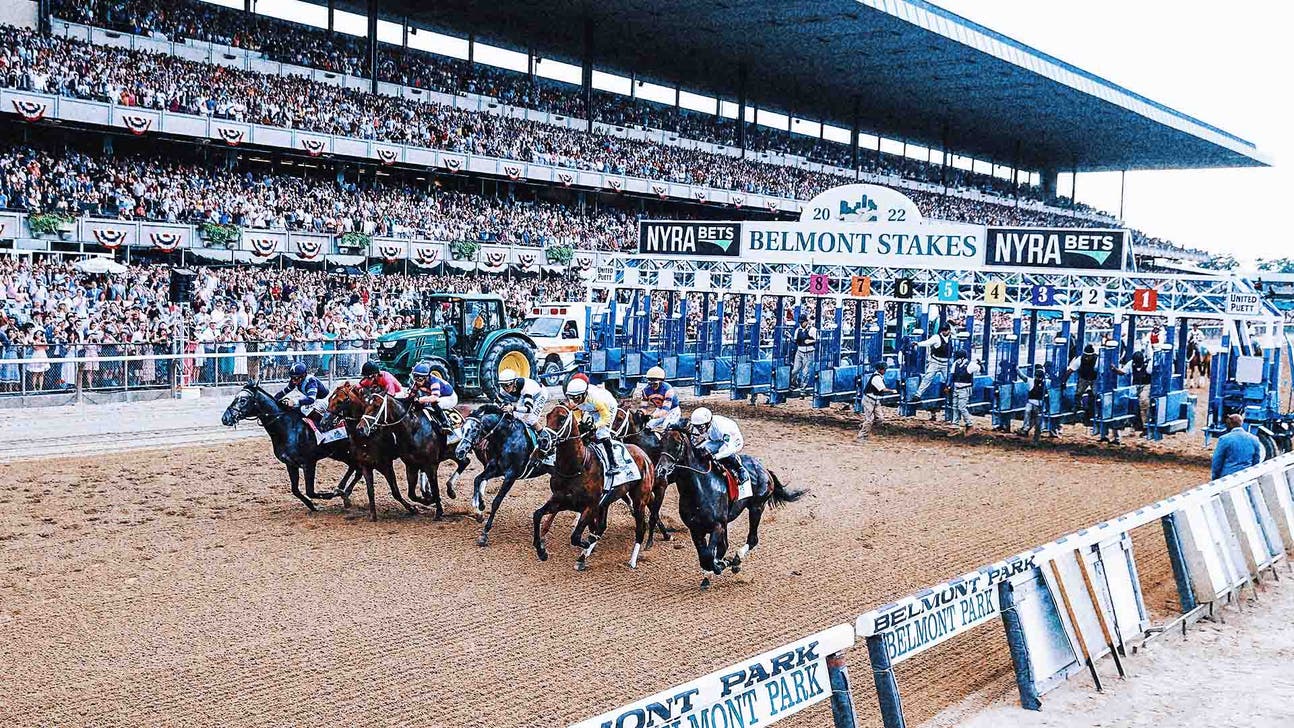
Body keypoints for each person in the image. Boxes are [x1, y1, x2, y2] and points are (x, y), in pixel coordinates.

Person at [565, 375, 624, 482]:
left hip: (607, 408)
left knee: (602, 434)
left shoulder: (596, 399)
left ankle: (613, 464)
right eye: (571, 398)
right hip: (592, 410)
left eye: (577, 398)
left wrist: (595, 426)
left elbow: (606, 418)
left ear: (584, 394)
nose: (574, 401)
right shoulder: (575, 398)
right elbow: (576, 410)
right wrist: (579, 423)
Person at [688, 407, 749, 495]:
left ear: (708, 423)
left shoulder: (722, 428)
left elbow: (730, 448)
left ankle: (740, 469)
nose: (699, 429)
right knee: (700, 450)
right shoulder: (699, 425)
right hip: (715, 439)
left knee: (722, 452)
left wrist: (716, 456)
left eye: (701, 427)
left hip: (733, 440)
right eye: (697, 426)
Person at [407, 361, 459, 443]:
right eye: (415, 378)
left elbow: (434, 397)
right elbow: (410, 396)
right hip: (438, 396)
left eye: (419, 379)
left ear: (426, 377)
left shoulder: (434, 381)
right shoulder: (418, 382)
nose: (417, 382)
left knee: (434, 403)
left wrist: (421, 399)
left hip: (449, 397)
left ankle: (446, 424)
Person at [496, 367, 547, 434]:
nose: (505, 388)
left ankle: (544, 436)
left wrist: (512, 408)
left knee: (531, 419)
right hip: (523, 395)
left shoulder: (526, 388)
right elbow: (497, 401)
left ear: (514, 382)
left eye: (507, 385)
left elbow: (529, 409)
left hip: (540, 395)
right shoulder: (503, 389)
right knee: (517, 416)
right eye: (502, 385)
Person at [1211, 413, 1263, 479]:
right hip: (1246, 476)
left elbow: (1217, 461)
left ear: (1230, 424)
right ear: (1241, 423)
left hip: (1228, 477)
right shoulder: (1254, 439)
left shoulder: (1224, 439)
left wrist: (1215, 477)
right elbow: (1256, 460)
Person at [1115, 349, 1153, 436]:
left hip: (1146, 385)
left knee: (1144, 401)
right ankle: (1129, 425)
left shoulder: (1148, 365)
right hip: (1135, 386)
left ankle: (1146, 426)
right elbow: (1123, 372)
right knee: (1127, 401)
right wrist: (1115, 370)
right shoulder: (1131, 363)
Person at [858, 361, 896, 442]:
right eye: (884, 369)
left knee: (880, 418)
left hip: (876, 401)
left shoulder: (879, 376)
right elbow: (883, 389)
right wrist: (892, 391)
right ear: (879, 369)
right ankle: (862, 436)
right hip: (869, 400)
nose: (885, 371)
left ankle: (866, 426)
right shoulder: (876, 378)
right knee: (869, 419)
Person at [914, 322, 953, 401]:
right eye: (943, 330)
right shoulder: (936, 337)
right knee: (927, 378)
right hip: (935, 362)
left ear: (949, 330)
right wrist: (918, 344)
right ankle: (918, 395)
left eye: (945, 330)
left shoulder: (953, 338)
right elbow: (927, 343)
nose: (944, 332)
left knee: (949, 380)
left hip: (946, 363)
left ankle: (952, 397)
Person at [1064, 343, 1100, 423]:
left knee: (1095, 394)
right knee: (1078, 392)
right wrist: (1064, 382)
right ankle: (1076, 407)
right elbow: (1070, 371)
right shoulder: (1080, 359)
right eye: (1085, 355)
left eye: (1089, 356)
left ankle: (1095, 410)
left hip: (1094, 378)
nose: (1087, 358)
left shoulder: (1098, 360)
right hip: (1083, 378)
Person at [948, 350, 980, 437]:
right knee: (954, 407)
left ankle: (970, 425)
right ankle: (955, 427)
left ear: (962, 358)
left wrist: (979, 364)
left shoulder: (970, 365)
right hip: (956, 388)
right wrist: (948, 386)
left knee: (961, 407)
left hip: (964, 389)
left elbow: (979, 369)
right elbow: (952, 375)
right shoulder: (956, 364)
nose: (957, 360)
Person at [638, 366, 680, 432]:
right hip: (659, 409)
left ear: (661, 382)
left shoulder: (668, 389)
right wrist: (641, 414)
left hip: (672, 411)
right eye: (650, 384)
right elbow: (644, 407)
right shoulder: (645, 390)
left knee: (666, 427)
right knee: (647, 426)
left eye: (655, 384)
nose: (652, 386)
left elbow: (665, 410)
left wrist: (651, 416)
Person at [1017, 364, 1048, 438]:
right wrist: (1017, 369)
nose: (1038, 378)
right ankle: (1025, 428)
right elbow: (1022, 376)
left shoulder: (1046, 382)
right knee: (1027, 411)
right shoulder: (1031, 381)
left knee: (1035, 419)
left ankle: (1026, 430)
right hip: (1031, 403)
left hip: (1040, 404)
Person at [791, 315, 818, 390]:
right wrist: (790, 337)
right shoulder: (798, 330)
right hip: (799, 351)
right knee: (795, 370)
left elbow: (818, 339)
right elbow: (795, 341)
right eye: (800, 322)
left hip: (809, 352)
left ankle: (803, 389)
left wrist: (811, 341)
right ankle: (794, 383)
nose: (801, 324)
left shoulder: (812, 330)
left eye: (802, 322)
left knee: (805, 372)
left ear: (806, 321)